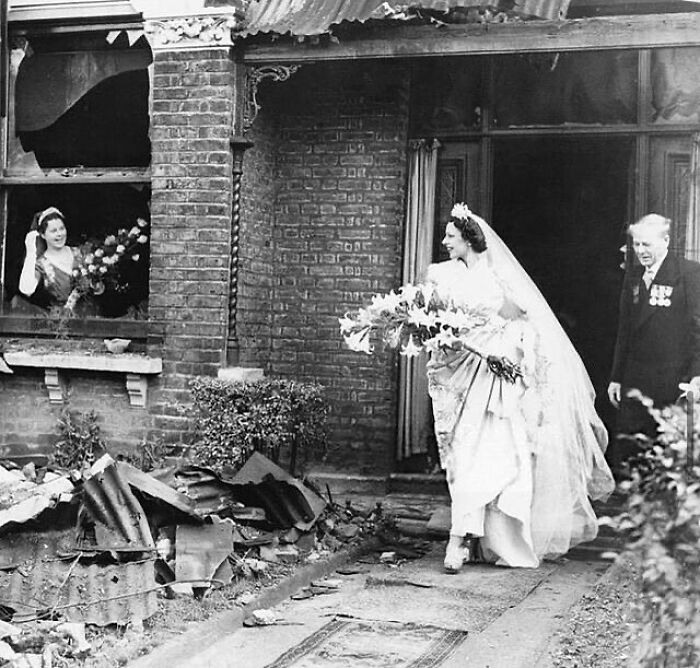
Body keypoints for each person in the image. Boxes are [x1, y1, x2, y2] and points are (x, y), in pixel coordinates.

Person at [426, 203, 614, 571]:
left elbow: (526, 328)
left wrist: (511, 361)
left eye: (451, 235)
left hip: (496, 384)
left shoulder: (500, 280)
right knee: (464, 459)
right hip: (462, 376)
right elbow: (438, 325)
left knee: (495, 458)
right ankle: (464, 539)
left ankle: (473, 541)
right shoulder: (443, 276)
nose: (445, 241)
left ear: (468, 238)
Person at [607, 214, 700, 466]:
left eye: (646, 244)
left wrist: (696, 375)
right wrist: (617, 376)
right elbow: (624, 331)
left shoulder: (688, 273)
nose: (640, 251)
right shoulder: (634, 277)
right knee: (633, 451)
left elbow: (698, 329)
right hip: (636, 378)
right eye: (636, 244)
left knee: (669, 452)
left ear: (665, 241)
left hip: (673, 379)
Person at [15, 207, 82, 314]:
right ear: (43, 235)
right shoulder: (42, 263)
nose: (59, 234)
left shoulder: (79, 253)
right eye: (53, 231)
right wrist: (31, 252)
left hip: (90, 315)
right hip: (61, 321)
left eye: (62, 228)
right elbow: (27, 289)